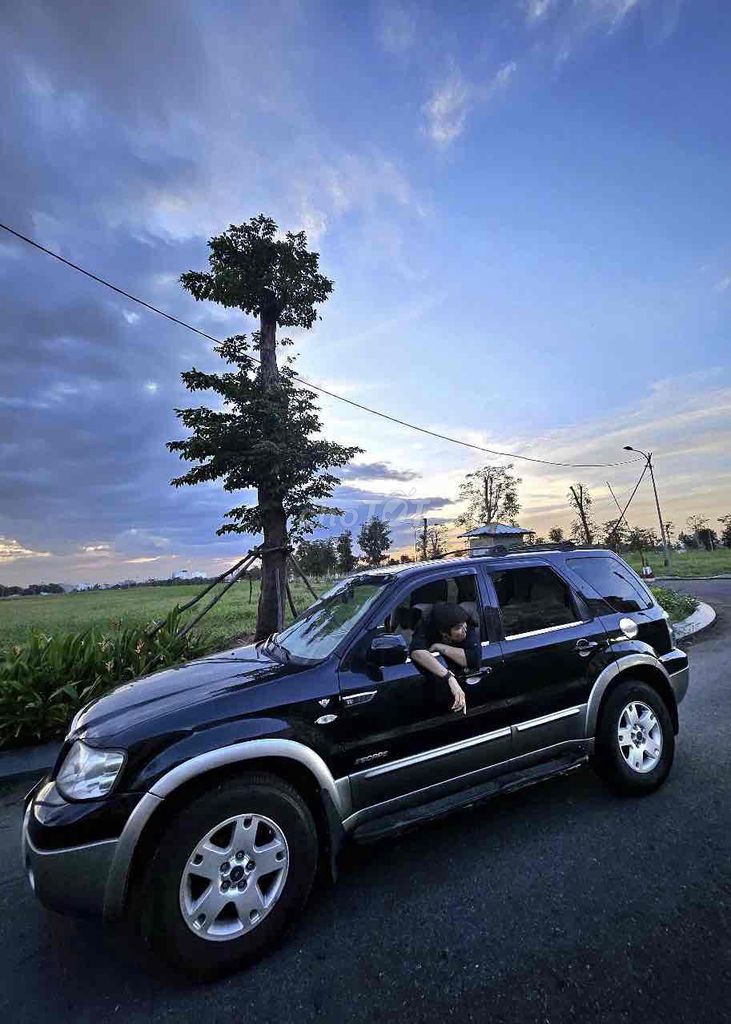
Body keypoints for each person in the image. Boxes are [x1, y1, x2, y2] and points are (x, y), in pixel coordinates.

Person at [409, 601, 480, 715]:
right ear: (443, 632)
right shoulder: (427, 626)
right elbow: (416, 651)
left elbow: (472, 659)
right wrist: (449, 678)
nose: (464, 629)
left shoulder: (465, 623)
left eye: (463, 624)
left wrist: (440, 647)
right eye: (458, 628)